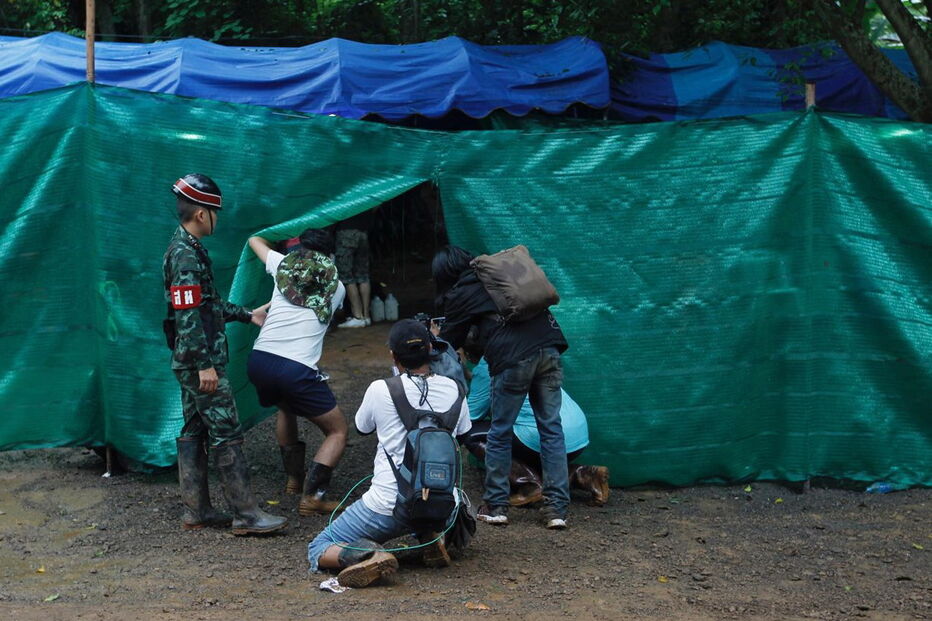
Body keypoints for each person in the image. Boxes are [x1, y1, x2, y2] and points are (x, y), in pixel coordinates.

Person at [162, 173, 287, 535]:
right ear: (202, 214)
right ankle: (246, 515)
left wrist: (247, 314)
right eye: (215, 213)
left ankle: (197, 510)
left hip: (189, 359)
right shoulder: (185, 256)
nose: (217, 219)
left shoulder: (186, 248)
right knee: (226, 430)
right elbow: (187, 314)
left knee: (194, 428)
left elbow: (206, 304)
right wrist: (205, 365)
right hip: (200, 362)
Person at [306, 320, 472, 588]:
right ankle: (432, 536)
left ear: (394, 356)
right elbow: (463, 434)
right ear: (431, 349)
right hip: (443, 505)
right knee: (430, 502)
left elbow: (362, 427)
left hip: (388, 506)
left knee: (319, 545)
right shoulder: (455, 388)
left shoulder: (381, 388)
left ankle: (368, 555)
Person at [432, 245, 570, 529]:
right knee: (551, 428)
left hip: (514, 358)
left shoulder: (461, 292)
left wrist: (435, 336)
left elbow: (447, 344)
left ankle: (496, 506)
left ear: (444, 274)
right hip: (550, 346)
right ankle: (557, 510)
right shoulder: (499, 278)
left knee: (500, 431)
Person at [246, 228, 348, 515]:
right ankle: (313, 496)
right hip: (295, 367)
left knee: (286, 408)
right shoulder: (337, 286)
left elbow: (254, 239)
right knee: (337, 431)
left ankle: (293, 480)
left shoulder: (282, 264)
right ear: (330, 256)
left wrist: (289, 226)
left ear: (300, 248)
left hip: (260, 360)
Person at [462, 356, 610, 507]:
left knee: (471, 433)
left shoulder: (488, 363)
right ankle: (583, 474)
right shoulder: (528, 353)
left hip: (539, 438)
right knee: (523, 444)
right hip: (577, 435)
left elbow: (471, 416)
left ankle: (529, 485)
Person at [334, 209, 374, 328]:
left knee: (346, 276)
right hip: (363, 232)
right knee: (363, 275)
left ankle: (358, 316)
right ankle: (366, 316)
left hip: (345, 232)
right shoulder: (361, 197)